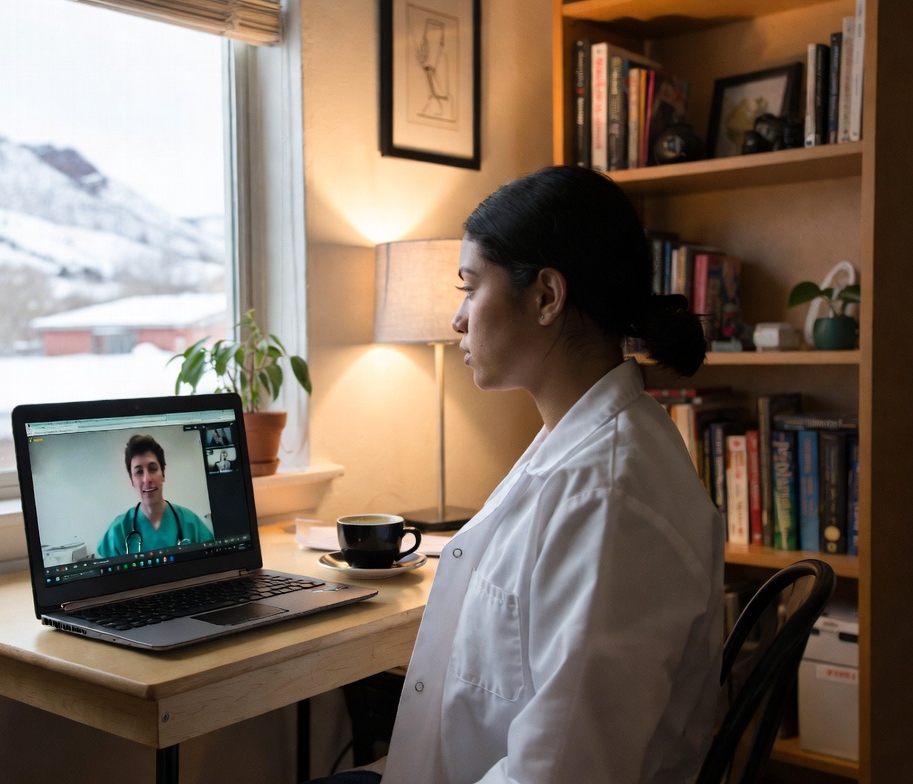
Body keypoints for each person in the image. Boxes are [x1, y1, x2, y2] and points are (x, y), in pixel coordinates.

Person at [308, 166, 723, 784]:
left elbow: (563, 771)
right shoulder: (577, 443)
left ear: (547, 297)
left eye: (470, 287)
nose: (457, 319)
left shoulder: (606, 499)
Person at [96, 434, 214, 557]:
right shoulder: (118, 530)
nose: (147, 479)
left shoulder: (191, 523)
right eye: (139, 472)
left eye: (152, 469)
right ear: (132, 480)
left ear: (163, 474)